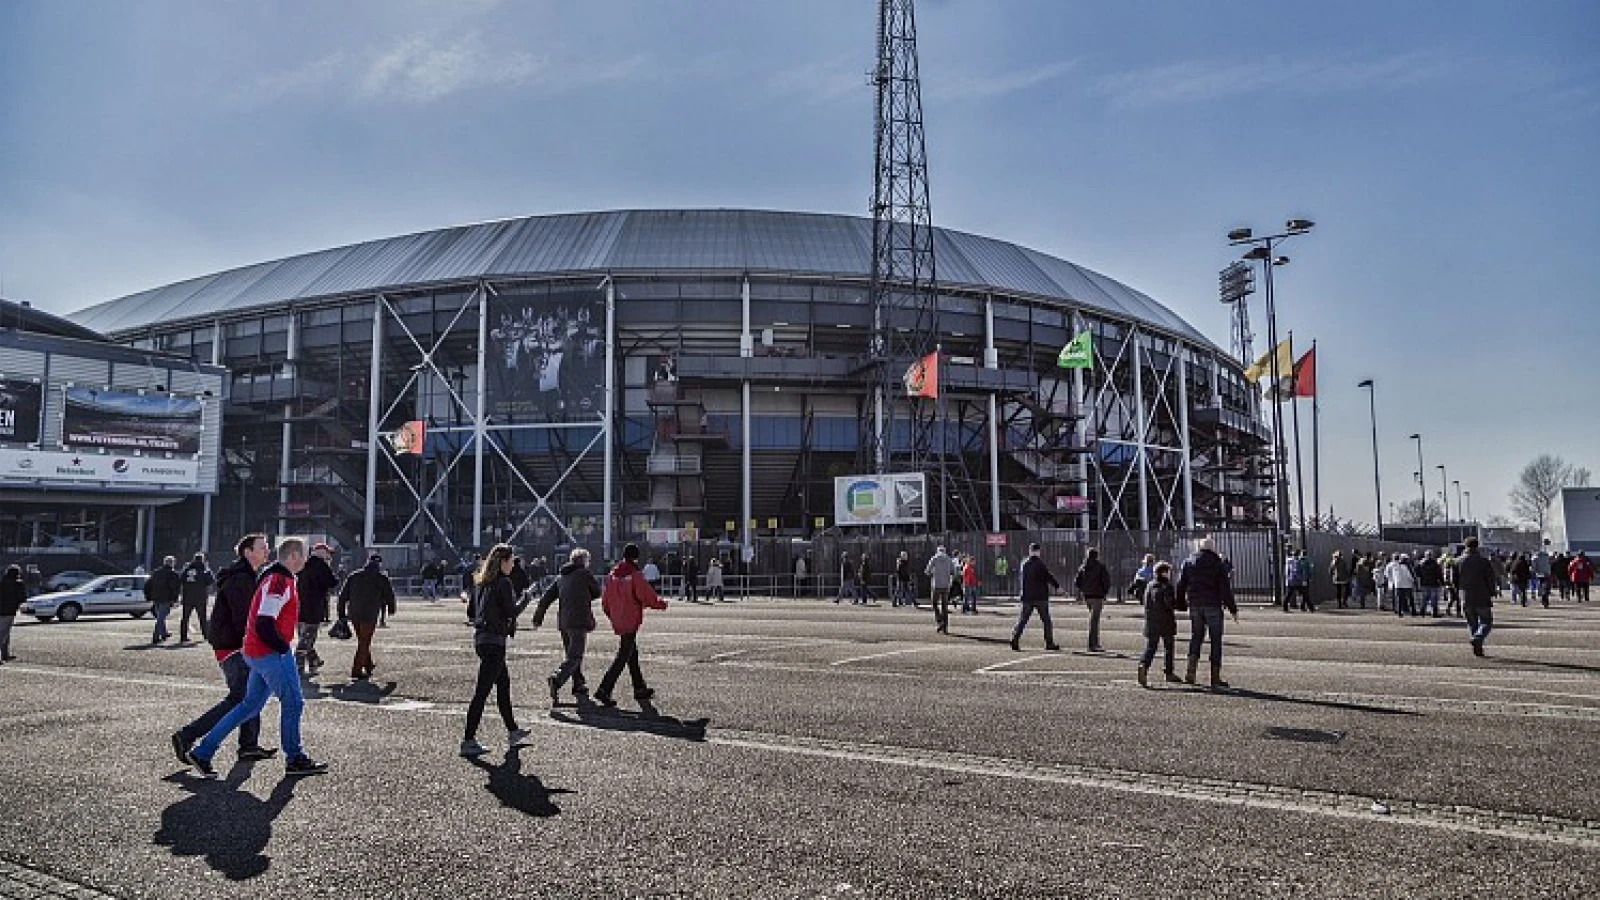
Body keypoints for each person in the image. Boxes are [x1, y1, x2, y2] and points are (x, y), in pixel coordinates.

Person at [183, 536, 328, 777]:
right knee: (293, 703)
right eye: (304, 555)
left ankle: (203, 752)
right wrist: (283, 650)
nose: (305, 560)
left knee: (248, 706)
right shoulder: (280, 581)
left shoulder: (272, 577)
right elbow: (264, 621)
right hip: (268, 653)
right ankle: (295, 758)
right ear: (293, 556)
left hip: (255, 652)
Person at [172, 534, 275, 767]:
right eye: (263, 547)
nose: (267, 551)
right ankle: (187, 735)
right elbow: (243, 618)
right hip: (233, 646)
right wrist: (260, 642)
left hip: (235, 644)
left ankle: (248, 745)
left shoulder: (247, 576)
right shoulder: (241, 578)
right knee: (240, 698)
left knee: (252, 695)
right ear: (248, 552)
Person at [460, 544, 534, 758]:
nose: (513, 565)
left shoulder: (481, 582)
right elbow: (512, 612)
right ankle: (468, 739)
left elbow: (471, 611)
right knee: (482, 692)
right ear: (503, 562)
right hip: (494, 642)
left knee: (503, 685)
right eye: (511, 561)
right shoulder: (503, 583)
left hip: (482, 639)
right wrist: (527, 598)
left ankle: (513, 731)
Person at [595, 543, 668, 707]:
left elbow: (605, 600)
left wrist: (611, 615)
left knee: (631, 653)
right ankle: (604, 688)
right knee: (623, 654)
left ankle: (639, 687)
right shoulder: (634, 574)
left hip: (618, 617)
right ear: (636, 557)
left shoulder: (613, 574)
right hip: (630, 617)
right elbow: (645, 594)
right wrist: (660, 603)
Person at [533, 547, 602, 705]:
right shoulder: (584, 574)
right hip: (578, 620)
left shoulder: (560, 577)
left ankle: (578, 684)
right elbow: (597, 591)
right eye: (588, 561)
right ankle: (557, 679)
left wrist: (538, 618)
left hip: (563, 621)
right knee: (575, 656)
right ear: (583, 561)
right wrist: (585, 596)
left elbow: (545, 599)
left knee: (571, 654)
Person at [1176, 538, 1238, 689]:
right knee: (1216, 640)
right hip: (1213, 604)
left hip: (1195, 604)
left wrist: (1181, 603)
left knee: (1196, 637)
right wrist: (1233, 609)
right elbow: (1225, 589)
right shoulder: (1218, 564)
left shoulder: (1188, 562)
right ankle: (1214, 677)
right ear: (1213, 548)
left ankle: (1190, 672)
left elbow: (1181, 584)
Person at [337, 553, 397, 680]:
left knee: (362, 640)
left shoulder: (354, 576)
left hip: (354, 613)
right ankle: (356, 670)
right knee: (364, 642)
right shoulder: (381, 578)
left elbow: (342, 597)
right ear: (379, 564)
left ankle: (368, 665)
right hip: (369, 614)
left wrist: (341, 614)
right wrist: (391, 609)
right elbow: (389, 595)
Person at [295, 543, 339, 676]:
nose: (329, 556)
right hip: (314, 608)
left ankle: (314, 660)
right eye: (327, 553)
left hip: (298, 607)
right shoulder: (321, 566)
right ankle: (298, 666)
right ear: (321, 552)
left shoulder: (302, 565)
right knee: (307, 639)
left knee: (304, 636)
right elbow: (333, 582)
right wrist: (330, 569)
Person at [1137, 561, 1182, 687]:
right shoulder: (1166, 586)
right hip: (1166, 621)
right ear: (1164, 572)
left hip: (1151, 621)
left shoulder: (1150, 585)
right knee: (1169, 647)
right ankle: (1168, 672)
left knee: (1151, 647)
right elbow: (1170, 604)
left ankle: (1144, 665)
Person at [1011, 542, 1060, 652]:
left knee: (1022, 620)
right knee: (1046, 620)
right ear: (1038, 551)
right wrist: (1057, 586)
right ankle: (1049, 642)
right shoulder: (1039, 564)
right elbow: (1048, 576)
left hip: (1027, 596)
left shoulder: (1024, 564)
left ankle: (1015, 638)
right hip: (1040, 596)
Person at [1457, 536, 1498, 656]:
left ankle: (1477, 646)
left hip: (1466, 595)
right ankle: (1478, 638)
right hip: (1482, 595)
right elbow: (1490, 578)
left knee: (1471, 622)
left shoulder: (1458, 561)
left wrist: (1457, 592)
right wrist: (1492, 591)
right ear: (1477, 546)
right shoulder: (1484, 561)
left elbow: (1453, 579)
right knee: (1486, 621)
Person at [1074, 547, 1110, 652]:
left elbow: (1077, 581)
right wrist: (1104, 593)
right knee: (1094, 621)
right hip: (1098, 596)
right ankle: (1092, 644)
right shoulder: (1100, 567)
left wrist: (1083, 590)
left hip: (1087, 595)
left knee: (1094, 619)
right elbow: (1106, 581)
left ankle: (1096, 642)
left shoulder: (1083, 567)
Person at [143, 555, 182, 644]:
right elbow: (175, 588)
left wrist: (148, 595)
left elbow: (148, 585)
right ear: (172, 563)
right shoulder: (173, 574)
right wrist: (175, 599)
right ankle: (156, 636)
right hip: (166, 598)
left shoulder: (156, 572)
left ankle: (164, 633)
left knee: (160, 616)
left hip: (156, 597)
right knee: (161, 617)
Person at [178, 552, 214, 644]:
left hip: (187, 596)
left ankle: (183, 636)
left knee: (185, 618)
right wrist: (208, 569)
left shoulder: (187, 569)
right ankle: (206, 635)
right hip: (200, 597)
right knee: (202, 617)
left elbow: (181, 579)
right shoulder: (203, 570)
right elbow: (210, 581)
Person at [924, 545, 957, 633]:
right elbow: (953, 572)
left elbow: (927, 571)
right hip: (946, 585)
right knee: (944, 606)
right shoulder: (949, 559)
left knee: (934, 603)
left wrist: (934, 573)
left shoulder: (934, 558)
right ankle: (945, 626)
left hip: (936, 585)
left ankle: (939, 621)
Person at [0, 565, 24, 662]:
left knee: (5, 633)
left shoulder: (1, 582)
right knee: (3, 633)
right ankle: (3, 655)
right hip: (9, 611)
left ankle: (5, 654)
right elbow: (22, 598)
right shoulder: (18, 584)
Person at [1416, 550, 1445, 618]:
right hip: (1434, 583)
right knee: (1434, 600)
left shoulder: (1421, 564)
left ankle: (1422, 612)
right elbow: (1439, 574)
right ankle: (1434, 613)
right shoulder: (1435, 563)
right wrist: (1442, 582)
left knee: (1424, 599)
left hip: (1424, 583)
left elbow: (1417, 574)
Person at [1531, 542, 1553, 607]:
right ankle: (1545, 599)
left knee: (1541, 586)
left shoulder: (1535, 558)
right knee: (1547, 587)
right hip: (1547, 573)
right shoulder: (1547, 556)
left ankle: (1543, 598)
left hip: (1539, 574)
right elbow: (1550, 564)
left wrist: (1534, 572)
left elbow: (1534, 567)